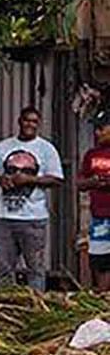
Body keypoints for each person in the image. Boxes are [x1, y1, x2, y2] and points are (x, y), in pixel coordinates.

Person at [0, 105, 65, 292]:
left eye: (34, 121)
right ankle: (8, 300)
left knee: (35, 267)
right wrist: (1, 179)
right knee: (4, 266)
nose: (30, 124)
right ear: (19, 121)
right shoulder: (4, 146)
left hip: (34, 218)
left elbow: (57, 179)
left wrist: (30, 179)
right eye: (27, 120)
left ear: (38, 125)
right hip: (5, 217)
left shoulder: (46, 149)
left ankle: (36, 301)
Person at [80, 117, 110, 291]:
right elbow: (80, 183)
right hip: (99, 216)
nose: (97, 133)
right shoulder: (91, 155)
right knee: (100, 259)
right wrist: (94, 181)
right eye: (96, 129)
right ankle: (103, 300)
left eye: (102, 128)